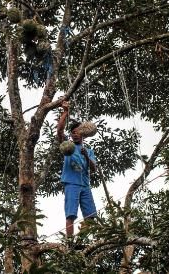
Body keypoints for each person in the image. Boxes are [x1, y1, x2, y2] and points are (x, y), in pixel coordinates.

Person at [56, 100, 97, 238]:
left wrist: (86, 156)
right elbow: (60, 130)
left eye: (78, 132)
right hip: (71, 183)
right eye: (73, 132)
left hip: (85, 185)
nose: (75, 134)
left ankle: (81, 239)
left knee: (91, 216)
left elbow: (94, 169)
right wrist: (65, 112)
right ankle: (70, 241)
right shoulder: (68, 146)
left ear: (82, 134)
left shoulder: (88, 151)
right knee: (71, 214)